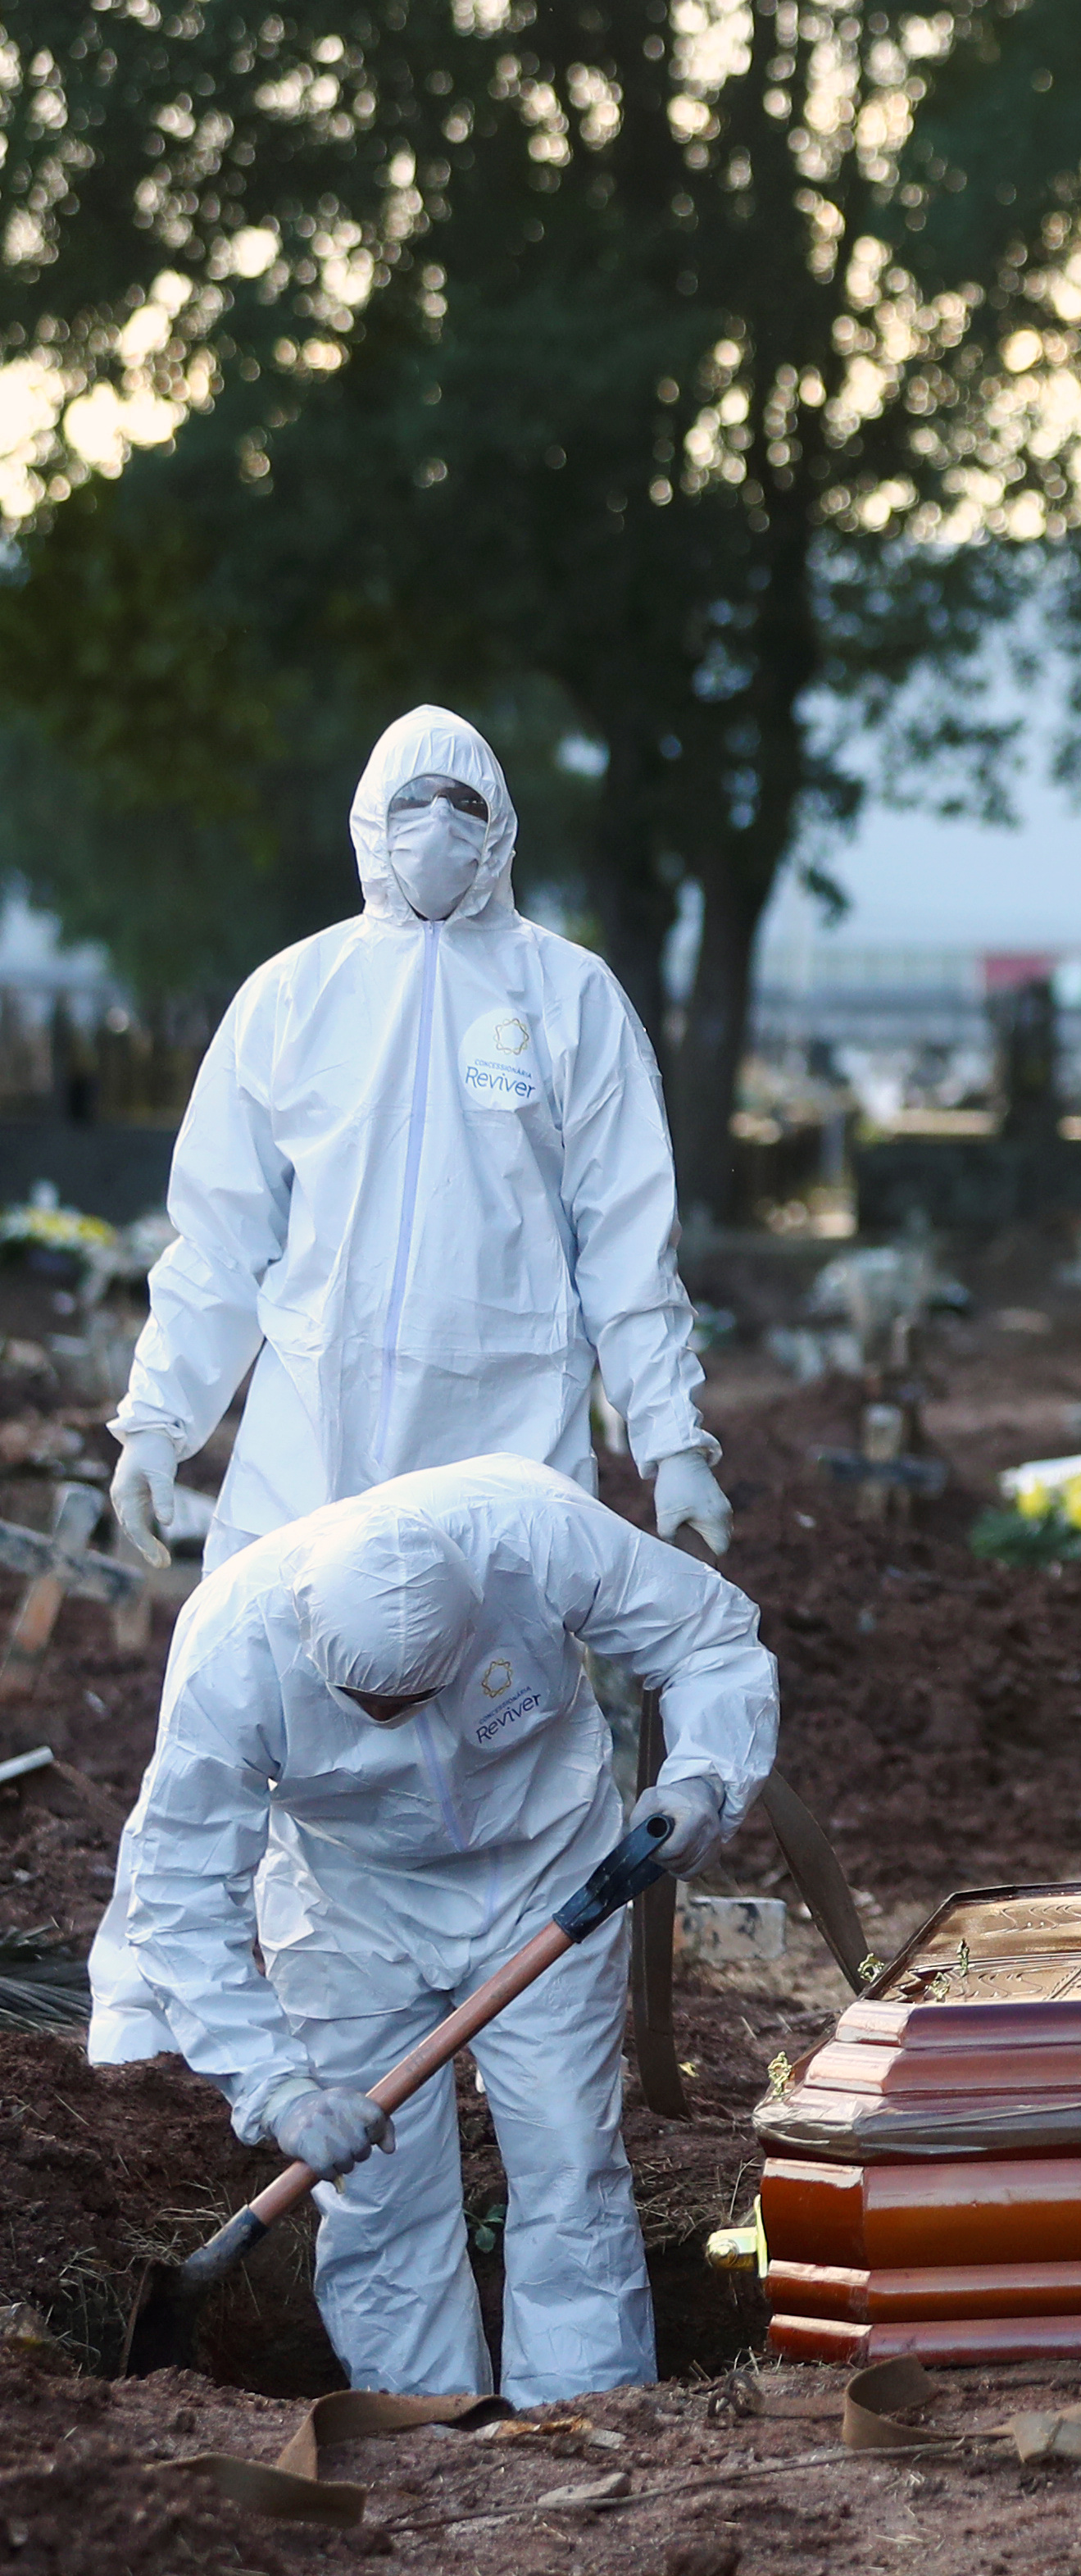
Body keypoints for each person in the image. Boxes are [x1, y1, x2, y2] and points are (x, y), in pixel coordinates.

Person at [85, 1454, 776, 2404]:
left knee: (570, 2161)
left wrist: (704, 1772)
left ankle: (576, 2422)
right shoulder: (232, 1646)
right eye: (372, 1710)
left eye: (413, 1702)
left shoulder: (532, 1532)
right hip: (347, 1904)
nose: (395, 1724)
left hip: (543, 1870)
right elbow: (175, 1894)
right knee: (377, 2196)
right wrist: (277, 2088)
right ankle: (424, 2433)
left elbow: (709, 1637)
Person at [109, 705, 729, 1570]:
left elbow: (628, 1247)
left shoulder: (573, 1001)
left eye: (462, 805)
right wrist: (157, 1420)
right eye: (413, 803)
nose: (437, 827)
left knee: (503, 1698)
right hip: (308, 1459)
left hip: (508, 1450)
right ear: (370, 820)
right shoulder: (292, 998)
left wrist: (672, 1442)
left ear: (500, 827)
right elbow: (220, 1239)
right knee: (288, 1682)